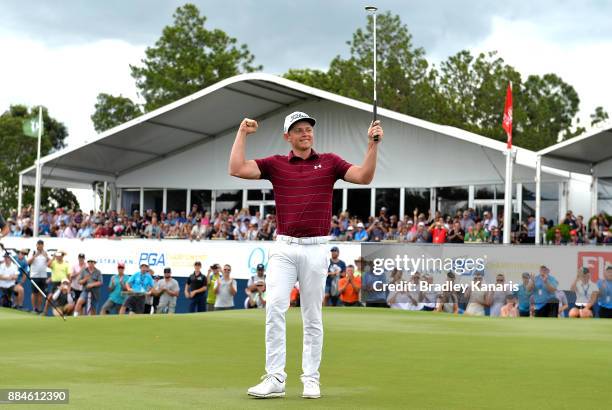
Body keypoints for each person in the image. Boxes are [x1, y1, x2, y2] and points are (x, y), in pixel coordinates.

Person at [231, 111, 383, 399]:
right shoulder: (275, 164)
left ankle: (311, 379)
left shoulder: (330, 162)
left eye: (308, 129)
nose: (305, 133)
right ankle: (275, 377)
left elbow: (363, 176)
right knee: (274, 307)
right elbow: (236, 168)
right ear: (287, 136)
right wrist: (242, 133)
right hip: (284, 246)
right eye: (298, 130)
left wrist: (373, 144)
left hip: (317, 247)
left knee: (312, 315)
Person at [27, 239, 51, 314]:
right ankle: (34, 308)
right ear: (36, 245)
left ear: (43, 245)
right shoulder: (32, 252)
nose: (40, 246)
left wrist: (46, 257)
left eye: (41, 244)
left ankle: (40, 309)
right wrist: (35, 255)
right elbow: (28, 262)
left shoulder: (46, 252)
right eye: (39, 244)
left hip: (43, 275)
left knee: (41, 293)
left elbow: (50, 262)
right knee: (34, 293)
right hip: (34, 275)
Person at [44, 250, 70, 315]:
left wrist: (68, 284)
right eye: (57, 256)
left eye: (60, 255)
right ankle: (45, 312)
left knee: (66, 297)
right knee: (50, 297)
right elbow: (48, 265)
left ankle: (65, 312)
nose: (58, 257)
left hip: (64, 283)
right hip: (55, 283)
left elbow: (68, 275)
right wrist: (53, 258)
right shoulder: (54, 262)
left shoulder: (66, 264)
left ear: (62, 256)